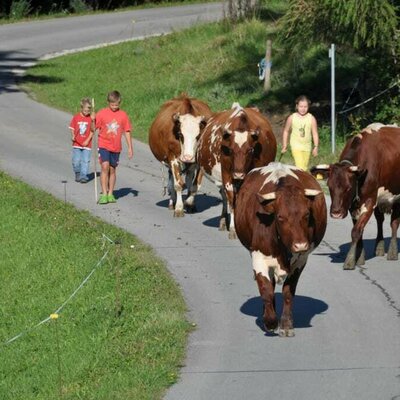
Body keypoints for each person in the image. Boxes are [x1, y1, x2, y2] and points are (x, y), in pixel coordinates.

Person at [95, 90, 133, 204]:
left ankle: (111, 193)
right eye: (112, 105)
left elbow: (127, 131)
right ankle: (104, 194)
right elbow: (93, 128)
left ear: (119, 103)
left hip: (116, 147)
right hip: (104, 144)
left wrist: (130, 147)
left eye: (117, 105)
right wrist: (92, 119)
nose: (114, 107)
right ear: (108, 102)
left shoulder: (123, 115)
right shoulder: (102, 113)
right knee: (105, 166)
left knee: (112, 169)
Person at [281, 95, 319, 170]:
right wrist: (285, 145)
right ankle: (303, 180)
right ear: (297, 106)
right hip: (295, 145)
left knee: (304, 166)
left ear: (308, 107)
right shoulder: (292, 117)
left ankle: (299, 179)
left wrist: (316, 146)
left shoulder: (311, 118)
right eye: (301, 106)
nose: (303, 109)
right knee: (301, 167)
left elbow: (315, 133)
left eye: (305, 107)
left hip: (307, 146)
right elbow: (286, 131)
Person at [69, 97, 95, 183]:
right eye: (85, 111)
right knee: (76, 161)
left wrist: (87, 140)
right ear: (81, 108)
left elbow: (92, 130)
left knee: (85, 160)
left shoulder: (91, 118)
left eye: (88, 111)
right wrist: (73, 135)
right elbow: (72, 128)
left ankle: (84, 176)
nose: (87, 112)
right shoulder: (76, 117)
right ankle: (77, 172)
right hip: (77, 143)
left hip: (87, 144)